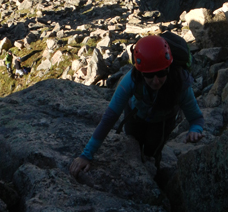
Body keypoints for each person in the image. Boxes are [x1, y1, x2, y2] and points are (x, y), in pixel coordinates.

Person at [70, 35, 204, 178]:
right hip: (136, 117)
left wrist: (195, 129)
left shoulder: (180, 83)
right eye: (149, 75)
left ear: (169, 68)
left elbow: (196, 118)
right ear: (141, 72)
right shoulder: (131, 80)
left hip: (162, 123)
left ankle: (155, 175)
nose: (156, 81)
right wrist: (86, 155)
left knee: (152, 153)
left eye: (161, 73)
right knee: (133, 145)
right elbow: (109, 118)